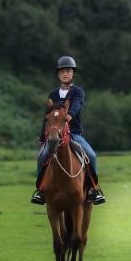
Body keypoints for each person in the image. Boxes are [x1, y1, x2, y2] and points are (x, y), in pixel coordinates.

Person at [30, 55, 106, 206]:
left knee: (91, 155)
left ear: (73, 74)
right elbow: (48, 118)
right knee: (41, 157)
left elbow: (77, 105)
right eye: (62, 71)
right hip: (54, 134)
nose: (65, 73)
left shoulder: (78, 92)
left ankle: (93, 190)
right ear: (58, 74)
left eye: (68, 71)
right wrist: (41, 139)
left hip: (74, 134)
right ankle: (40, 190)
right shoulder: (52, 95)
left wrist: (70, 114)